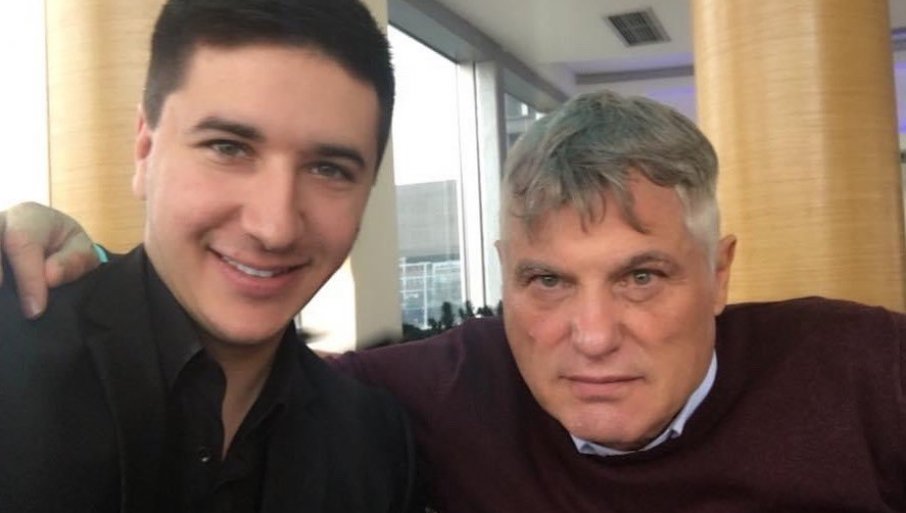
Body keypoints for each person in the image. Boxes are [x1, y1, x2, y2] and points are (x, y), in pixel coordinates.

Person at [5, 90, 906, 511]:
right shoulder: (433, 394)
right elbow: (235, 366)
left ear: (720, 274)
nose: (593, 336)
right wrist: (102, 270)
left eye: (642, 276)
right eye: (547, 281)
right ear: (506, 274)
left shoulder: (867, 371)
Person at [0, 0, 420, 511]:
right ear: (144, 150)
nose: (275, 227)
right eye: (228, 148)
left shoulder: (375, 444)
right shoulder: (13, 349)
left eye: (328, 169)